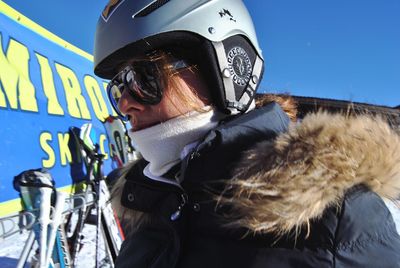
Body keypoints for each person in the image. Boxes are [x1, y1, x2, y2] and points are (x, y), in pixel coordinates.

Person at [94, 0, 400, 267]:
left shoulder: (335, 218)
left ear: (226, 70)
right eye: (118, 87)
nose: (124, 102)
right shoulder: (148, 211)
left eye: (143, 78)